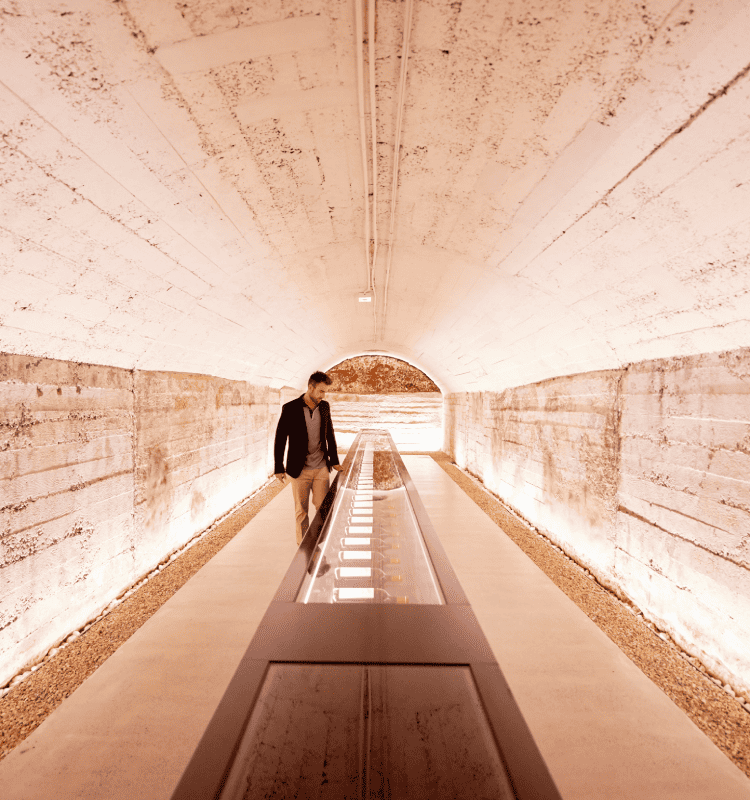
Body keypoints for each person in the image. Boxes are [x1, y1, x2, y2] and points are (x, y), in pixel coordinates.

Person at [274, 371, 344, 545]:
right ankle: (303, 547)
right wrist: (278, 467)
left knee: (324, 508)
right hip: (299, 470)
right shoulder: (290, 409)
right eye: (321, 391)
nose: (323, 395)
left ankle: (321, 543)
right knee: (301, 511)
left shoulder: (325, 407)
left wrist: (334, 461)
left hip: (321, 467)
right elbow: (280, 438)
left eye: (325, 392)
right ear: (310, 387)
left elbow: (330, 435)